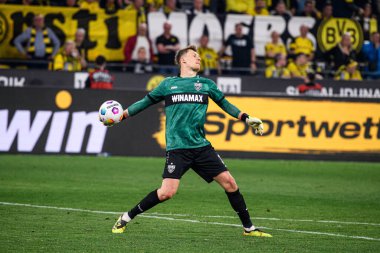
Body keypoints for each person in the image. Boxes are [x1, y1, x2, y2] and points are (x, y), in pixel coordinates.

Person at [109, 45, 272, 238]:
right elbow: (145, 102)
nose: (199, 58)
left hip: (201, 147)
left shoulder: (206, 84)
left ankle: (249, 228)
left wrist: (246, 117)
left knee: (230, 183)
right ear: (182, 60)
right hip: (178, 149)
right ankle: (126, 217)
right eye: (194, 55)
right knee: (166, 193)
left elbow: (225, 104)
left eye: (199, 56)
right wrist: (123, 116)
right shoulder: (168, 85)